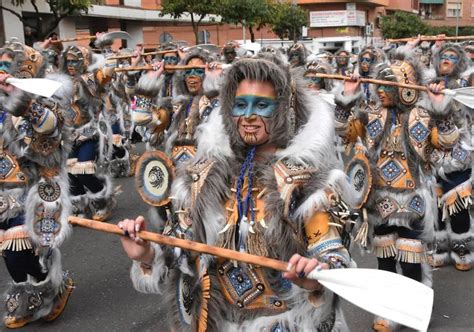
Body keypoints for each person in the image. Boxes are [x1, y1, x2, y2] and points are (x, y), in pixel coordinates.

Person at [119, 54, 355, 331]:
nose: (249, 116)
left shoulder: (306, 182)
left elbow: (332, 254)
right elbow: (179, 247)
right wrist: (146, 252)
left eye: (262, 105)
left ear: (283, 110)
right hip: (218, 322)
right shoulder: (201, 177)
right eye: (241, 105)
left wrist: (315, 274)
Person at [334, 53, 461, 330]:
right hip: (378, 202)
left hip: (412, 201)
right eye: (378, 85)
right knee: (386, 260)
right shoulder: (371, 115)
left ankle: (411, 308)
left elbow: (448, 142)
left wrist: (441, 108)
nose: (380, 90)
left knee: (412, 258)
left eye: (386, 85)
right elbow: (343, 131)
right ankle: (388, 310)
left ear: (403, 87)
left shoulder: (422, 116)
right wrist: (347, 95)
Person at [0, 39, 73, 329]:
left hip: (37, 186)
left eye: (7, 66)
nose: (2, 71)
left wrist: (20, 100)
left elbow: (49, 129)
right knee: (10, 253)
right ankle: (27, 292)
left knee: (23, 248)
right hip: (5, 189)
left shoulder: (43, 100)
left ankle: (54, 288)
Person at [428, 43, 473, 271]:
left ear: (460, 63)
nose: (446, 59)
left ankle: (462, 248)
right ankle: (440, 246)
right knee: (435, 205)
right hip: (433, 153)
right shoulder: (428, 84)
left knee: (457, 205)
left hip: (458, 152)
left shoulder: (465, 87)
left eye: (452, 57)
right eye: (443, 56)